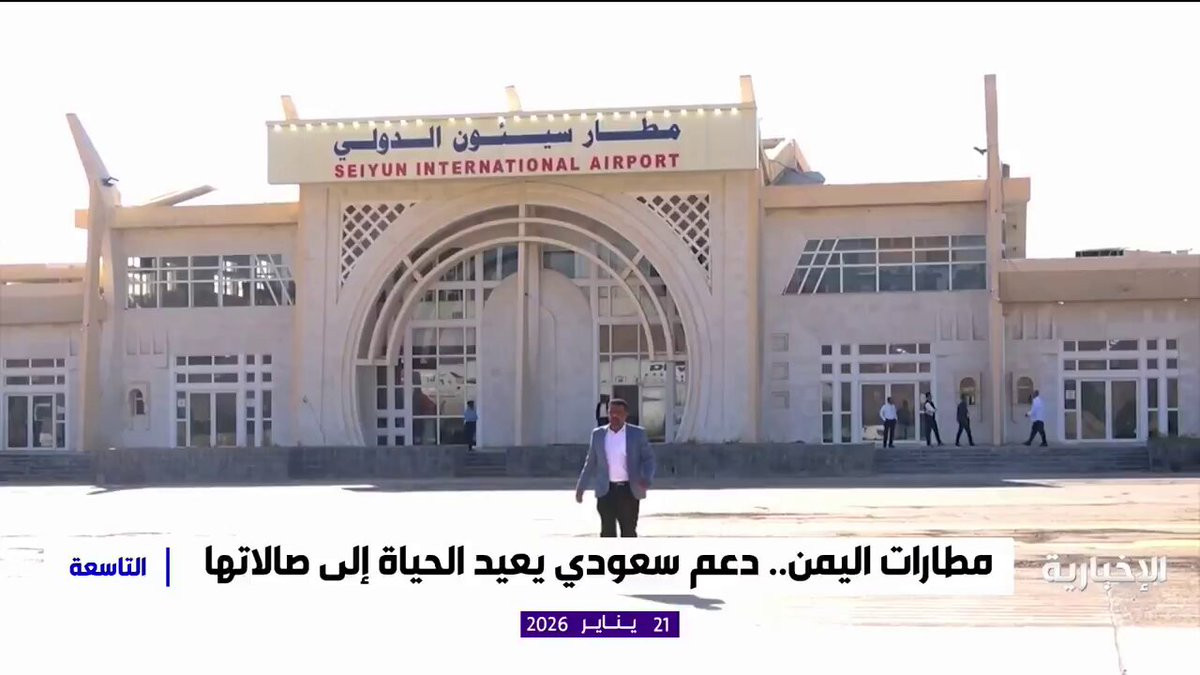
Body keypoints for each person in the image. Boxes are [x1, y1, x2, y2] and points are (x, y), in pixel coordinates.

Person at [575, 398, 655, 537]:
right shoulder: (598, 435)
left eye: (618, 413)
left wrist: (646, 478)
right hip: (606, 491)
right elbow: (590, 463)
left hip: (629, 491)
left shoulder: (637, 434)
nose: (614, 416)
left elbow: (649, 459)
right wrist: (581, 488)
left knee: (628, 531)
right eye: (611, 412)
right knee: (607, 532)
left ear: (626, 415)